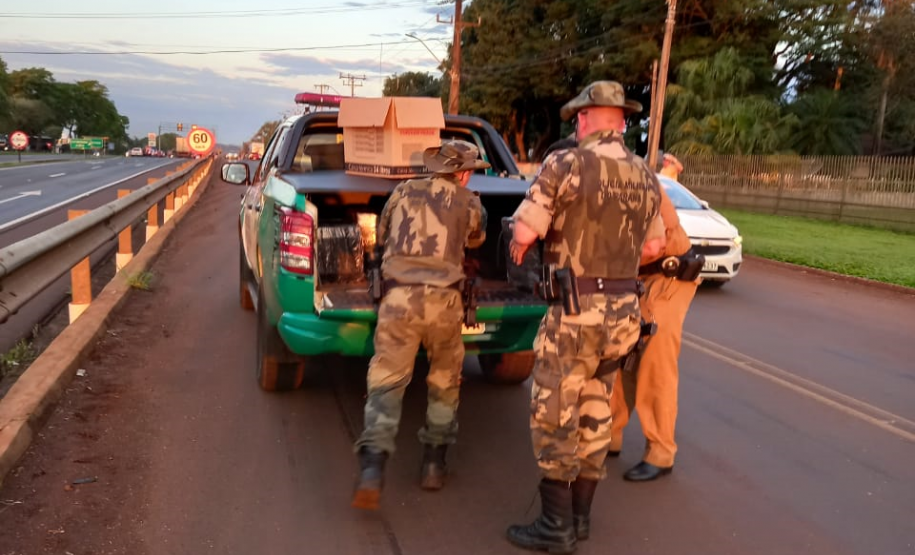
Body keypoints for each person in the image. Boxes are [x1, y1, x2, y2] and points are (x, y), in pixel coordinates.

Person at [505, 81, 665, 553]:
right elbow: (654, 246)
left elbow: (526, 230)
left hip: (575, 314)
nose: (575, 123)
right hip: (623, 318)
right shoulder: (645, 174)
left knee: (554, 413)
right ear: (621, 122)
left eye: (578, 117)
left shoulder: (566, 163)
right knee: (597, 411)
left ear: (587, 119)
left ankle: (554, 527)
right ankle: (580, 521)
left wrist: (519, 239)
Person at [352, 140, 488, 511]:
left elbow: (382, 234)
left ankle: (372, 470)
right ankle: (433, 465)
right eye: (472, 169)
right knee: (444, 381)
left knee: (386, 382)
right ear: (461, 172)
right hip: (445, 303)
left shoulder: (402, 191)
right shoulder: (469, 201)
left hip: (398, 300)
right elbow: (476, 238)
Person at [607, 160, 700, 482]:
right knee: (621, 353)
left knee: (655, 357)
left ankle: (661, 452)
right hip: (636, 279)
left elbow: (657, 242)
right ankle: (609, 434)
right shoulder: (591, 181)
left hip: (669, 276)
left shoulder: (637, 180)